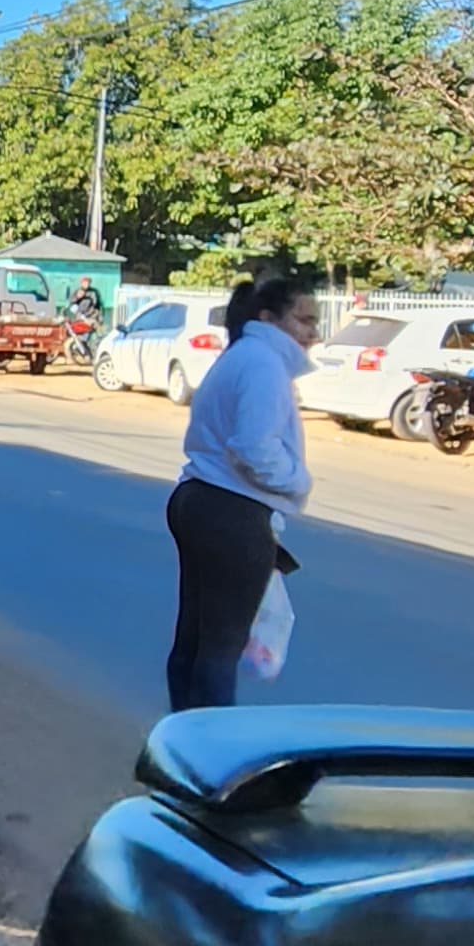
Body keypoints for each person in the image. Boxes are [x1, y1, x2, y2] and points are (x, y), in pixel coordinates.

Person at [164, 268, 321, 710]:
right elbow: (253, 448)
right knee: (220, 648)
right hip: (232, 512)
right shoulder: (263, 365)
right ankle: (214, 745)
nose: (312, 333)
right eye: (304, 320)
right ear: (269, 318)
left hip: (201, 500)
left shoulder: (245, 356)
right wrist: (299, 481)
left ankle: (184, 735)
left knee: (197, 641)